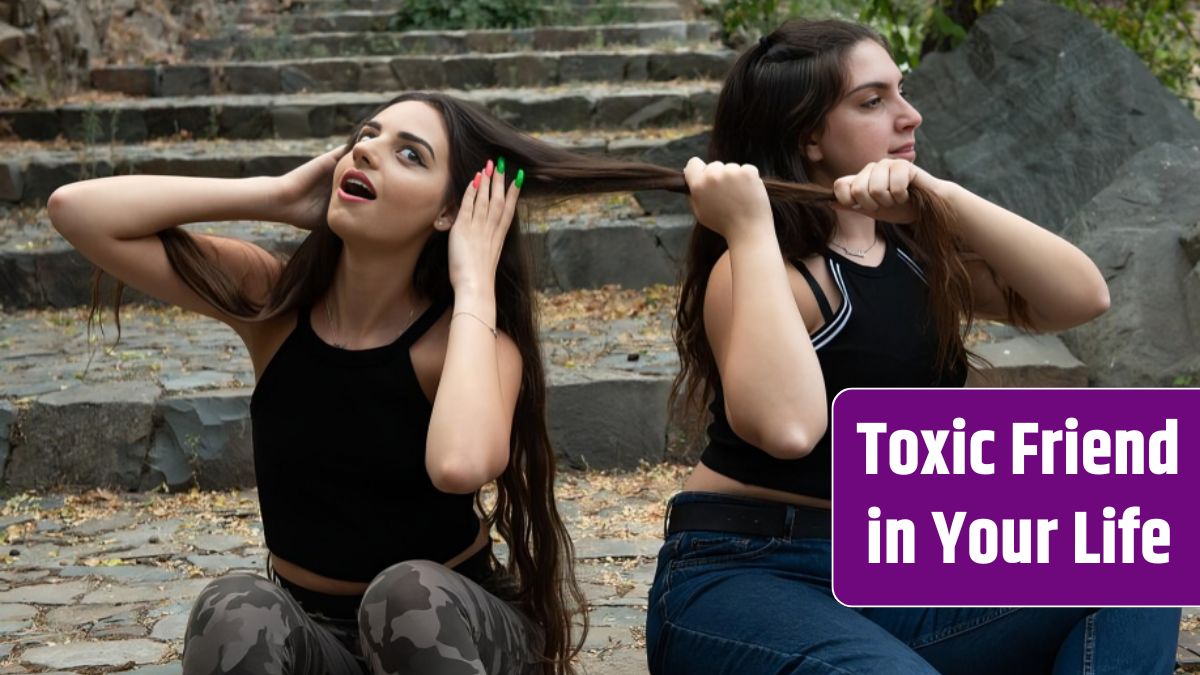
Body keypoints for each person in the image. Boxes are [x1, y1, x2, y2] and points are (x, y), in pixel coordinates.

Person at [48, 91, 679, 675]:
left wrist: (475, 280)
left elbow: (461, 465)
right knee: (235, 605)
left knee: (405, 595)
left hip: (451, 628)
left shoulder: (467, 343)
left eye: (410, 153)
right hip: (315, 638)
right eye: (367, 135)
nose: (369, 149)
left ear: (449, 212)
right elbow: (76, 211)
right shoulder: (274, 305)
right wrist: (270, 195)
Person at [645, 18, 1182, 675]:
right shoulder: (764, 270)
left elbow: (1080, 296)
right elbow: (787, 427)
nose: (910, 115)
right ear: (808, 134)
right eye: (873, 101)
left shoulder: (912, 255)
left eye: (902, 91)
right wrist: (750, 229)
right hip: (749, 571)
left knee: (1137, 557)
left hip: (892, 568)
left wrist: (945, 198)